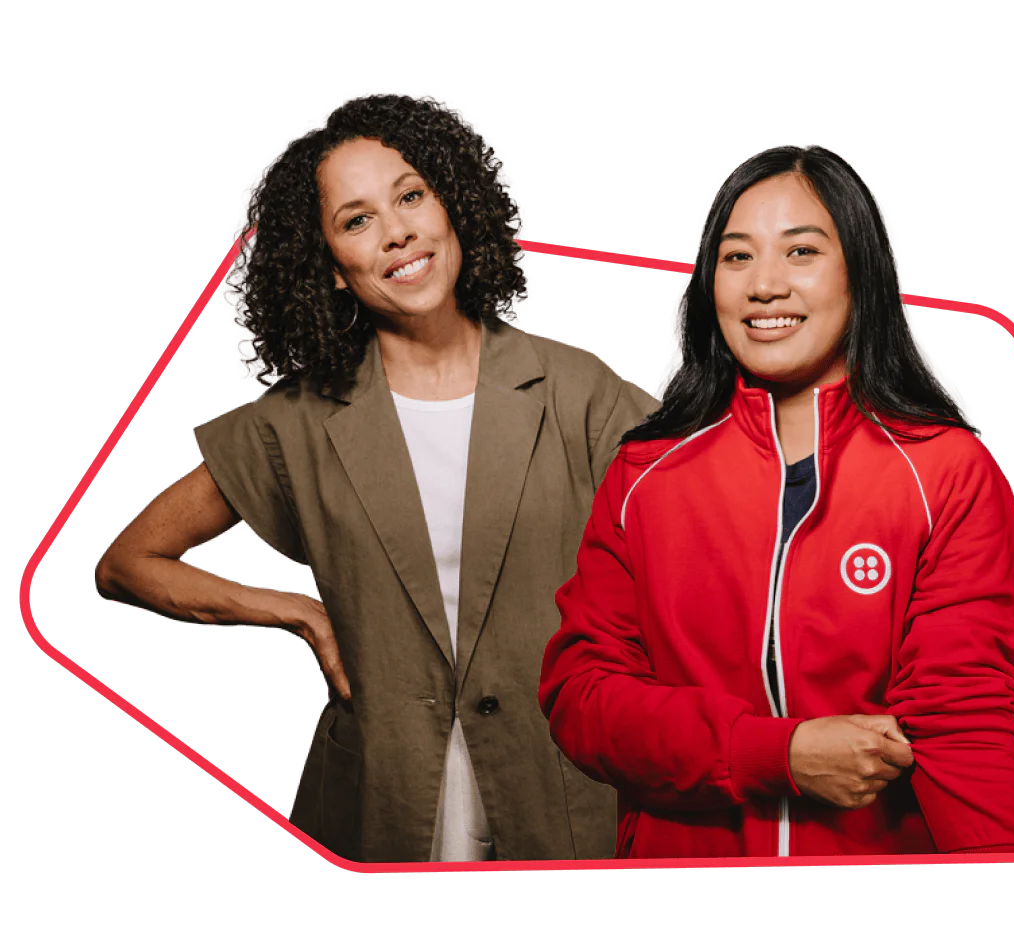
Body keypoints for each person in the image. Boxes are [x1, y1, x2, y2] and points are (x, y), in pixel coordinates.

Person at [94, 90, 656, 864]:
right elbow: (127, 565)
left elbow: (714, 528)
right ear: (329, 268)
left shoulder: (577, 389)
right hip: (378, 795)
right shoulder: (295, 422)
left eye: (411, 197)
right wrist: (299, 614)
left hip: (562, 781)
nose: (397, 234)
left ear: (453, 206)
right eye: (357, 220)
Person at [539, 143, 1014, 859]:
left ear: (860, 273)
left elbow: (964, 726)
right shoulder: (645, 472)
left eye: (801, 251)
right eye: (737, 258)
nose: (764, 285)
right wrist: (778, 752)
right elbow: (583, 699)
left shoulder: (946, 472)